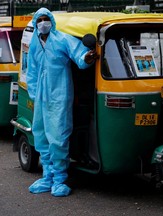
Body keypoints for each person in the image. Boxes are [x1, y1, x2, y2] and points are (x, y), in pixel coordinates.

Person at [26, 8, 96, 197]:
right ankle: (47, 176)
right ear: (35, 23)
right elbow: (31, 70)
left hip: (60, 96)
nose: (42, 23)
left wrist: (87, 57)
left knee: (58, 137)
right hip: (41, 98)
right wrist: (33, 94)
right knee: (40, 135)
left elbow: (80, 55)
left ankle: (59, 179)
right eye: (39, 20)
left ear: (51, 21)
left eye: (45, 19)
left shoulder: (62, 39)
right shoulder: (35, 44)